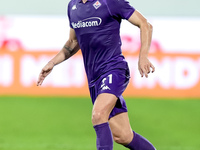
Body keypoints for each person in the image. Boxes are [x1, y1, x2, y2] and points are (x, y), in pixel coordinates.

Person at [37, 0, 156, 149]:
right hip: (94, 78)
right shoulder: (73, 6)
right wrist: (52, 62)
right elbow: (73, 41)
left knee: (98, 114)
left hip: (114, 69)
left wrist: (143, 56)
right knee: (123, 136)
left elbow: (145, 24)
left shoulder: (110, 2)